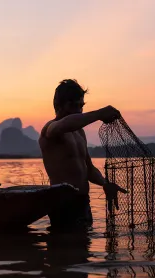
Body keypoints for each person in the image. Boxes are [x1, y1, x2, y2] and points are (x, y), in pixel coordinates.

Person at [39, 79, 127, 229]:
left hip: (83, 202)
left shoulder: (79, 132)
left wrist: (105, 184)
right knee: (66, 247)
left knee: (83, 248)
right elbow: (63, 124)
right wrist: (99, 114)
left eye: (81, 105)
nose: (79, 110)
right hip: (62, 204)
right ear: (59, 105)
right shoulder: (51, 129)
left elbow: (89, 169)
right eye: (73, 105)